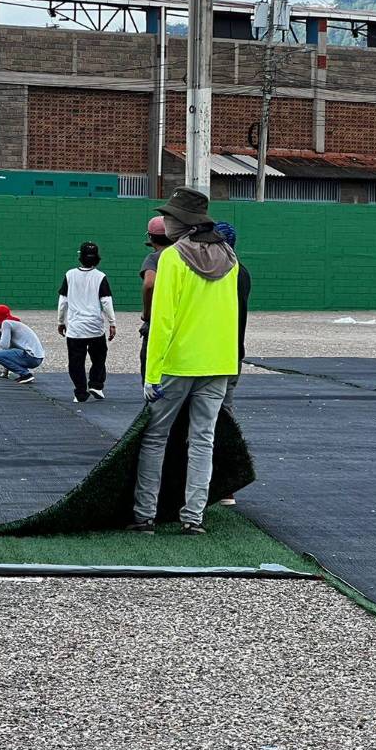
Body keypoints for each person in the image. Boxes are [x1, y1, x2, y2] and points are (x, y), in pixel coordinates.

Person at [130, 187, 240, 536]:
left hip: (178, 363)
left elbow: (162, 321)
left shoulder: (172, 259)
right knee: (203, 440)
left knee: (155, 437)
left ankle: (144, 514)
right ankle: (193, 518)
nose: (165, 221)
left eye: (169, 216)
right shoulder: (231, 259)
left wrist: (152, 373)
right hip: (219, 363)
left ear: (183, 223)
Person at [214, 220, 252, 507]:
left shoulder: (213, 274)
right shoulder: (243, 273)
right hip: (233, 355)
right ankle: (227, 487)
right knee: (224, 417)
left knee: (203, 423)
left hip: (209, 356)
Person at [57, 241, 117, 402]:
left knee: (76, 362)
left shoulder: (69, 275)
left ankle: (80, 392)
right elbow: (106, 302)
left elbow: (63, 302)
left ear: (80, 257)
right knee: (99, 357)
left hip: (75, 329)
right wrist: (112, 323)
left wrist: (61, 321)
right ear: (97, 258)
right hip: (95, 328)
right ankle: (96, 384)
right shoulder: (101, 277)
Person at [139, 216, 172, 379]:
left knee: (150, 365)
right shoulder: (182, 255)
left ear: (151, 237)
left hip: (157, 321)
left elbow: (149, 284)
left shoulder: (154, 258)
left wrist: (147, 312)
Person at [0, 304, 44, 385]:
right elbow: (9, 350)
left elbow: (4, 345)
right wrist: (5, 372)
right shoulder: (15, 323)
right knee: (5, 353)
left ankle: (26, 374)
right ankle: (25, 374)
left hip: (31, 357)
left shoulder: (6, 323)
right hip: (38, 358)